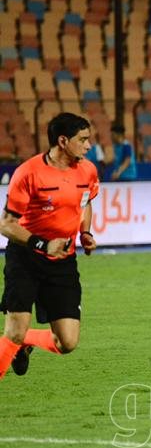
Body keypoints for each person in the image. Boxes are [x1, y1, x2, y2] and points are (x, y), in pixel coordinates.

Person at [0, 113, 99, 380]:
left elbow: (86, 202)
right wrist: (43, 244)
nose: (89, 146)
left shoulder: (88, 171)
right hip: (25, 258)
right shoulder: (29, 173)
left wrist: (85, 232)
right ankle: (17, 339)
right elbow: (6, 224)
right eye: (83, 140)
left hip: (62, 262)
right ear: (63, 141)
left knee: (67, 342)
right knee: (14, 331)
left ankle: (26, 341)